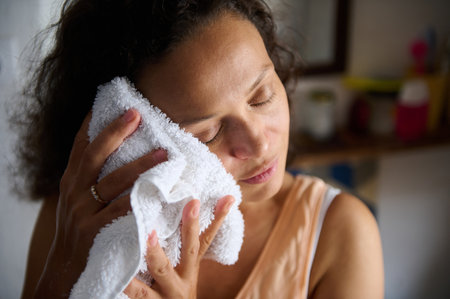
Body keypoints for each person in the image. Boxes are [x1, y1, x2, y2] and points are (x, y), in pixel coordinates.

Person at [16, 0, 384, 298]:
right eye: (207, 134)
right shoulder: (83, 214)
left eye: (262, 96)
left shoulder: (340, 233)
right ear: (132, 140)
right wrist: (59, 276)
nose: (258, 141)